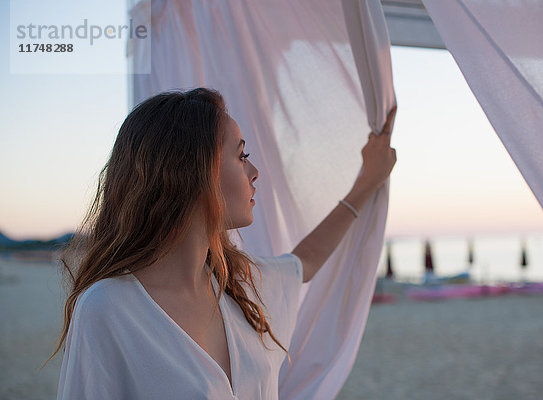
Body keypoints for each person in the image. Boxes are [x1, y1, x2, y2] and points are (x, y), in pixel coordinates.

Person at [48, 88, 397, 399]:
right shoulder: (108, 310)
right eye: (241, 155)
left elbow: (303, 263)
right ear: (191, 169)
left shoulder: (237, 284)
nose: (255, 171)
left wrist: (367, 181)